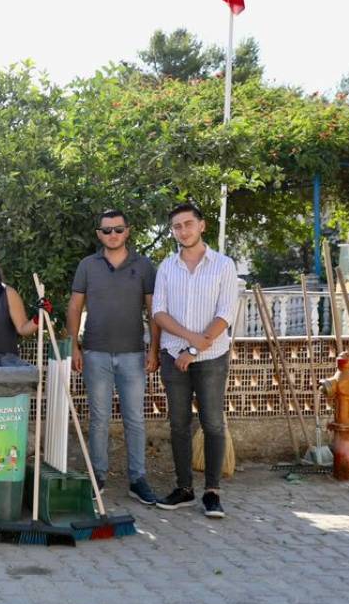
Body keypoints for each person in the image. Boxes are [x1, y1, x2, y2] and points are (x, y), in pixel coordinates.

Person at [66, 210, 161, 506]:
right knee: (99, 420)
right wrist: (74, 347)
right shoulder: (87, 266)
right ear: (99, 234)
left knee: (135, 419)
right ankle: (98, 476)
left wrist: (154, 349)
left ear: (127, 231)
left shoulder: (144, 266)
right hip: (95, 353)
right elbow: (74, 307)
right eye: (106, 231)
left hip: (133, 354)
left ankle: (137, 479)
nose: (112, 235)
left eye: (118, 230)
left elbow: (153, 311)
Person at [152, 203, 239, 518]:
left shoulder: (223, 265)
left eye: (188, 224)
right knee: (178, 424)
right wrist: (190, 341)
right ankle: (184, 488)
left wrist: (197, 349)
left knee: (213, 423)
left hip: (211, 356)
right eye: (176, 226)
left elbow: (226, 313)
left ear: (202, 226)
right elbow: (158, 312)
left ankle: (212, 492)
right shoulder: (166, 267)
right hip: (174, 355)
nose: (182, 230)